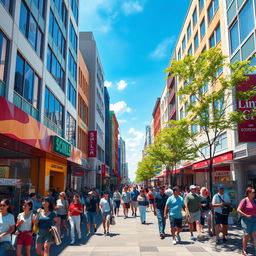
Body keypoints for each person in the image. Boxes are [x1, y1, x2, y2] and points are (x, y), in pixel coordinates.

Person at [237, 187, 256, 255]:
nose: (254, 193)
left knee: (255, 235)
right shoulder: (244, 200)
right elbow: (238, 210)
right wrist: (246, 215)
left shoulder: (254, 201)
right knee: (246, 235)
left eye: (254, 192)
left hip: (254, 220)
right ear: (248, 193)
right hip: (246, 220)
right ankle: (244, 250)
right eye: (253, 192)